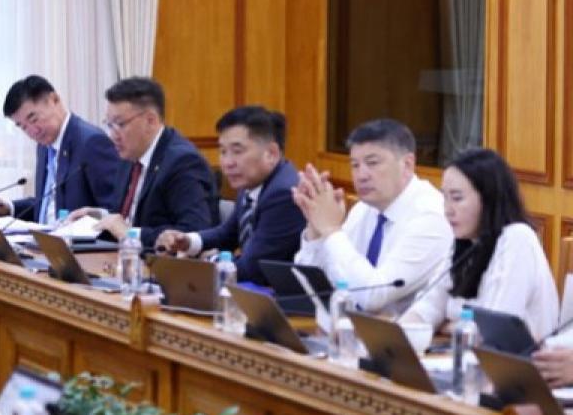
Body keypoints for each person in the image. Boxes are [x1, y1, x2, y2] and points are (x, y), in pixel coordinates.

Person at [293, 119, 451, 313]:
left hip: (399, 330)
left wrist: (331, 230)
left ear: (407, 164)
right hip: (347, 324)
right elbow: (313, 286)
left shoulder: (431, 216)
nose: (361, 175)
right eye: (355, 165)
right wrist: (316, 226)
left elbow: (373, 296)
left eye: (372, 163)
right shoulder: (364, 209)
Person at [399, 148, 556, 339]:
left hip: (514, 357)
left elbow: (495, 330)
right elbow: (428, 306)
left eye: (457, 198)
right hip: (463, 352)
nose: (448, 210)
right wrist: (401, 331)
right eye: (445, 198)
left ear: (489, 199)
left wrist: (450, 326)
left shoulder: (517, 239)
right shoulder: (465, 243)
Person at [155, 106, 303, 286]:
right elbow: (227, 234)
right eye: (223, 151)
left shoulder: (284, 194)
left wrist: (209, 260)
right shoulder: (253, 182)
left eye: (237, 151)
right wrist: (187, 241)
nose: (227, 162)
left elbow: (251, 269)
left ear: (271, 153)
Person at [88, 76, 216, 246]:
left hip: (157, 261)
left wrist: (132, 234)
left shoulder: (183, 162)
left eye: (120, 124)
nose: (113, 135)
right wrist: (100, 216)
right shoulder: (130, 155)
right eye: (109, 125)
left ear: (150, 121)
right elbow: (125, 218)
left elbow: (192, 233)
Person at [0, 75, 121, 223]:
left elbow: (115, 213)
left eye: (34, 119)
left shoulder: (91, 142)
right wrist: (10, 208)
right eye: (23, 127)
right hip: (43, 236)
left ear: (54, 99)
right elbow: (48, 204)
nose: (33, 131)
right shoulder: (44, 146)